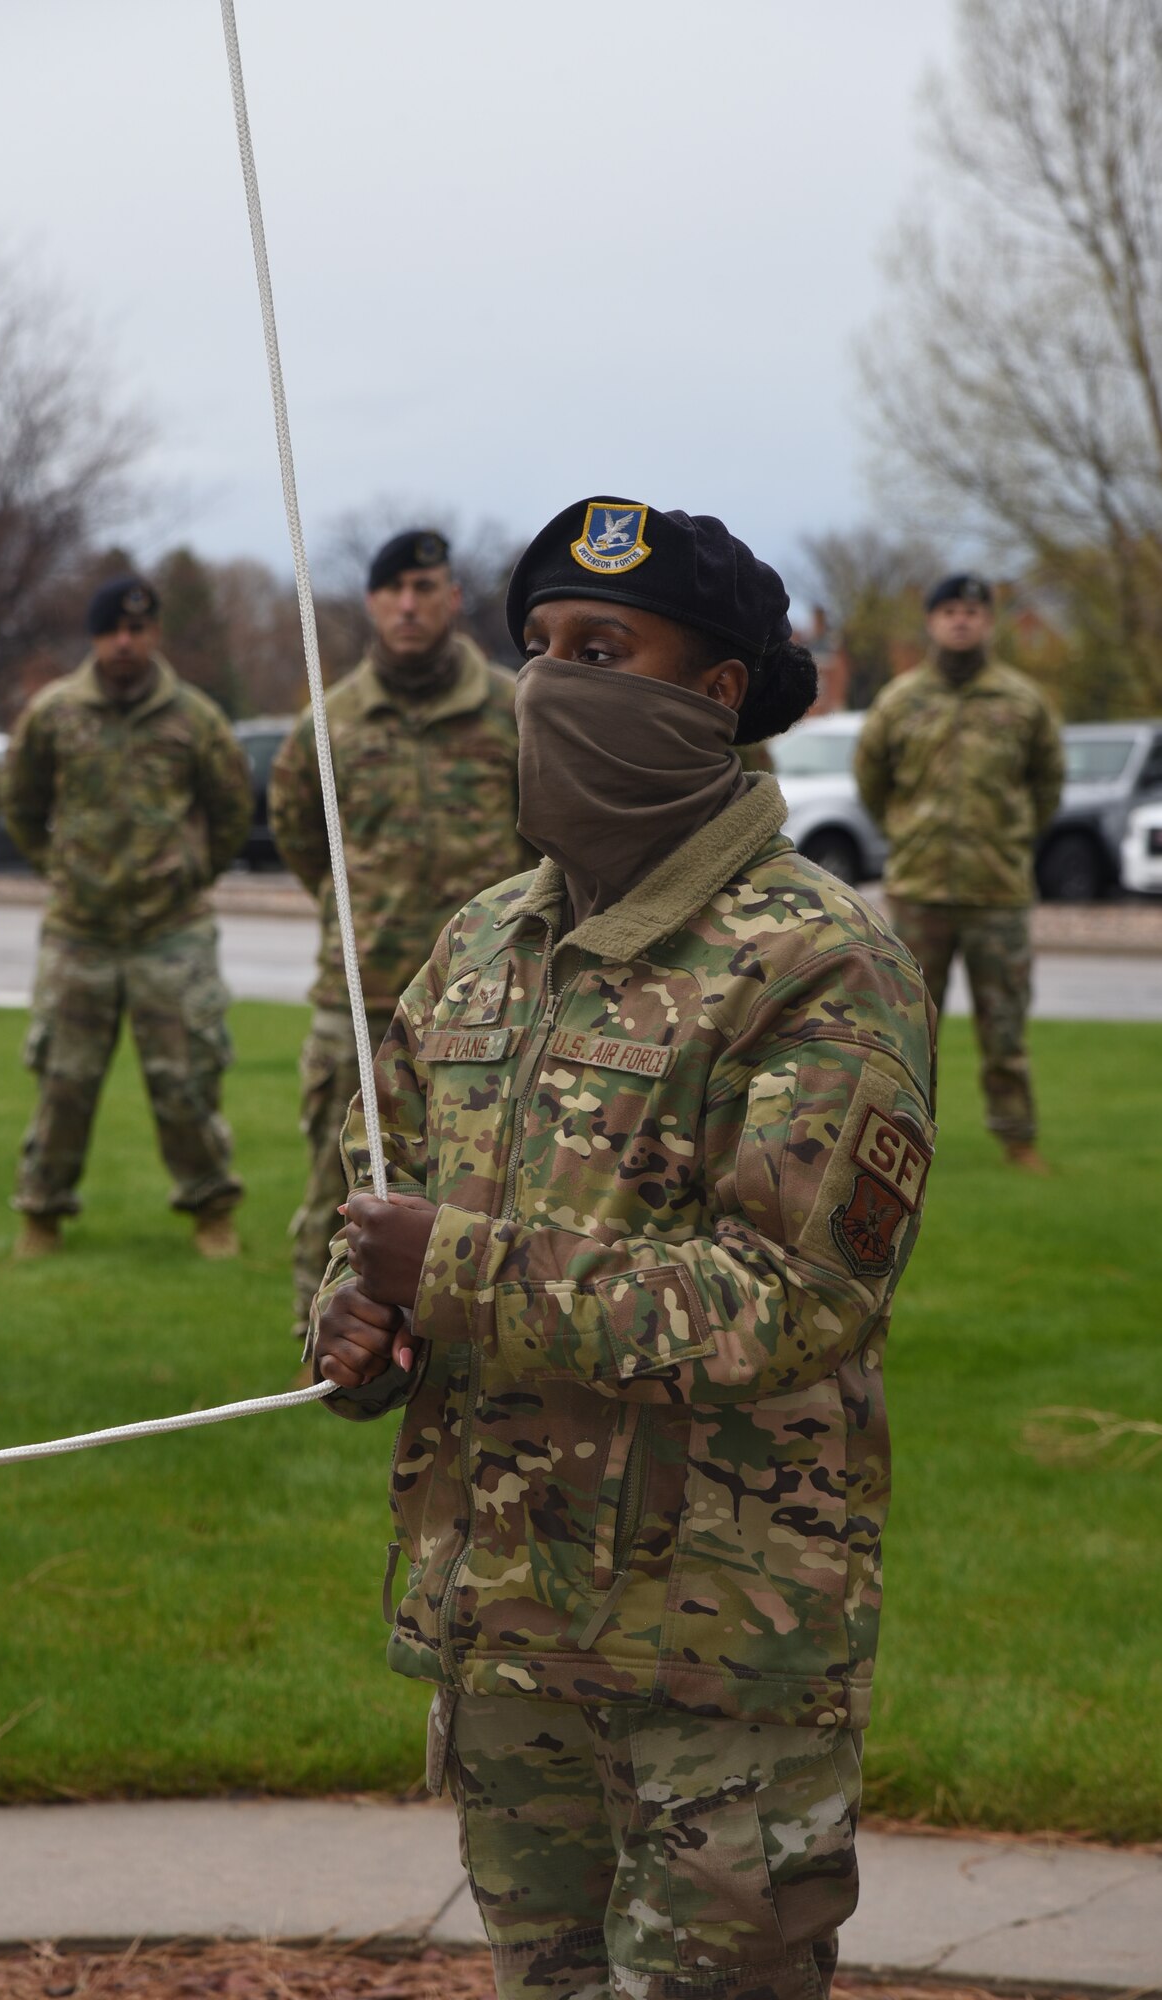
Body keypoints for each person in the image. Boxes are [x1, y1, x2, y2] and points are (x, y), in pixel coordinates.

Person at [311, 499, 937, 2000]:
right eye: (535, 649)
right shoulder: (475, 948)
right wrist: (350, 1321)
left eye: (603, 648)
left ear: (712, 694)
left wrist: (442, 1269)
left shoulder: (814, 959)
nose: (552, 683)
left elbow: (791, 1300)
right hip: (507, 1624)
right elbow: (371, 1201)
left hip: (714, 1649)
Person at [271, 527, 533, 1347]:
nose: (409, 605)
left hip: (500, 998)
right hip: (362, 992)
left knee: (505, 1185)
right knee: (334, 1186)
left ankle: (479, 1344)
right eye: (394, 591)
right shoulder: (331, 719)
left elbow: (546, 835)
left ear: (455, 598)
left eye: (426, 589)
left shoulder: (512, 709)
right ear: (373, 603)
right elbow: (300, 837)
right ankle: (321, 1348)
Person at [4, 576, 252, 1259]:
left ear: (155, 635)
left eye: (138, 630)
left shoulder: (194, 717)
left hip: (169, 934)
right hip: (79, 933)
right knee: (64, 1081)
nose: (125, 642)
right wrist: (61, 868)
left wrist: (191, 870)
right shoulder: (52, 714)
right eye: (113, 629)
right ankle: (42, 1214)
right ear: (94, 636)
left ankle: (210, 1211)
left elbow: (231, 808)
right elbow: (20, 806)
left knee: (186, 1082)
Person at [854, 572, 1064, 1171]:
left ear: (988, 622)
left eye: (972, 611)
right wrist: (908, 834)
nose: (961, 620)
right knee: (910, 1029)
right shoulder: (900, 701)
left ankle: (1017, 1138)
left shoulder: (1023, 702)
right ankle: (901, 1144)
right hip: (920, 889)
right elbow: (873, 783)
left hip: (997, 891)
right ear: (931, 622)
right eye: (949, 610)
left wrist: (1011, 838)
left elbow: (1047, 784)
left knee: (1006, 1029)